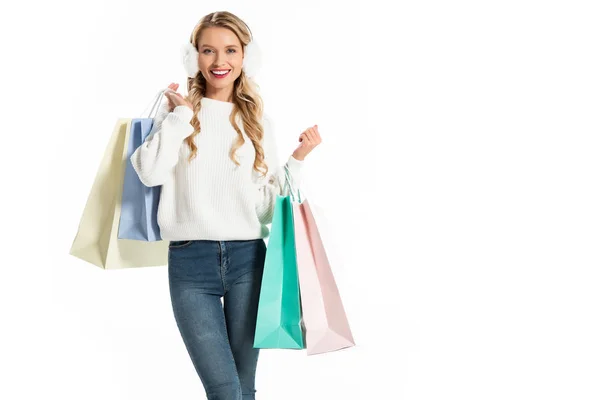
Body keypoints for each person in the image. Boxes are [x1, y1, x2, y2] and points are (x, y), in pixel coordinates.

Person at [130, 11, 322, 400]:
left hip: (248, 260)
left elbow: (267, 210)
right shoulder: (179, 113)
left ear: (246, 56)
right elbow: (148, 172)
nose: (220, 61)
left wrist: (297, 160)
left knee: (242, 389)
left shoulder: (257, 122)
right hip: (190, 263)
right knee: (224, 389)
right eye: (208, 50)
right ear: (193, 57)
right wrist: (181, 114)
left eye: (230, 50)